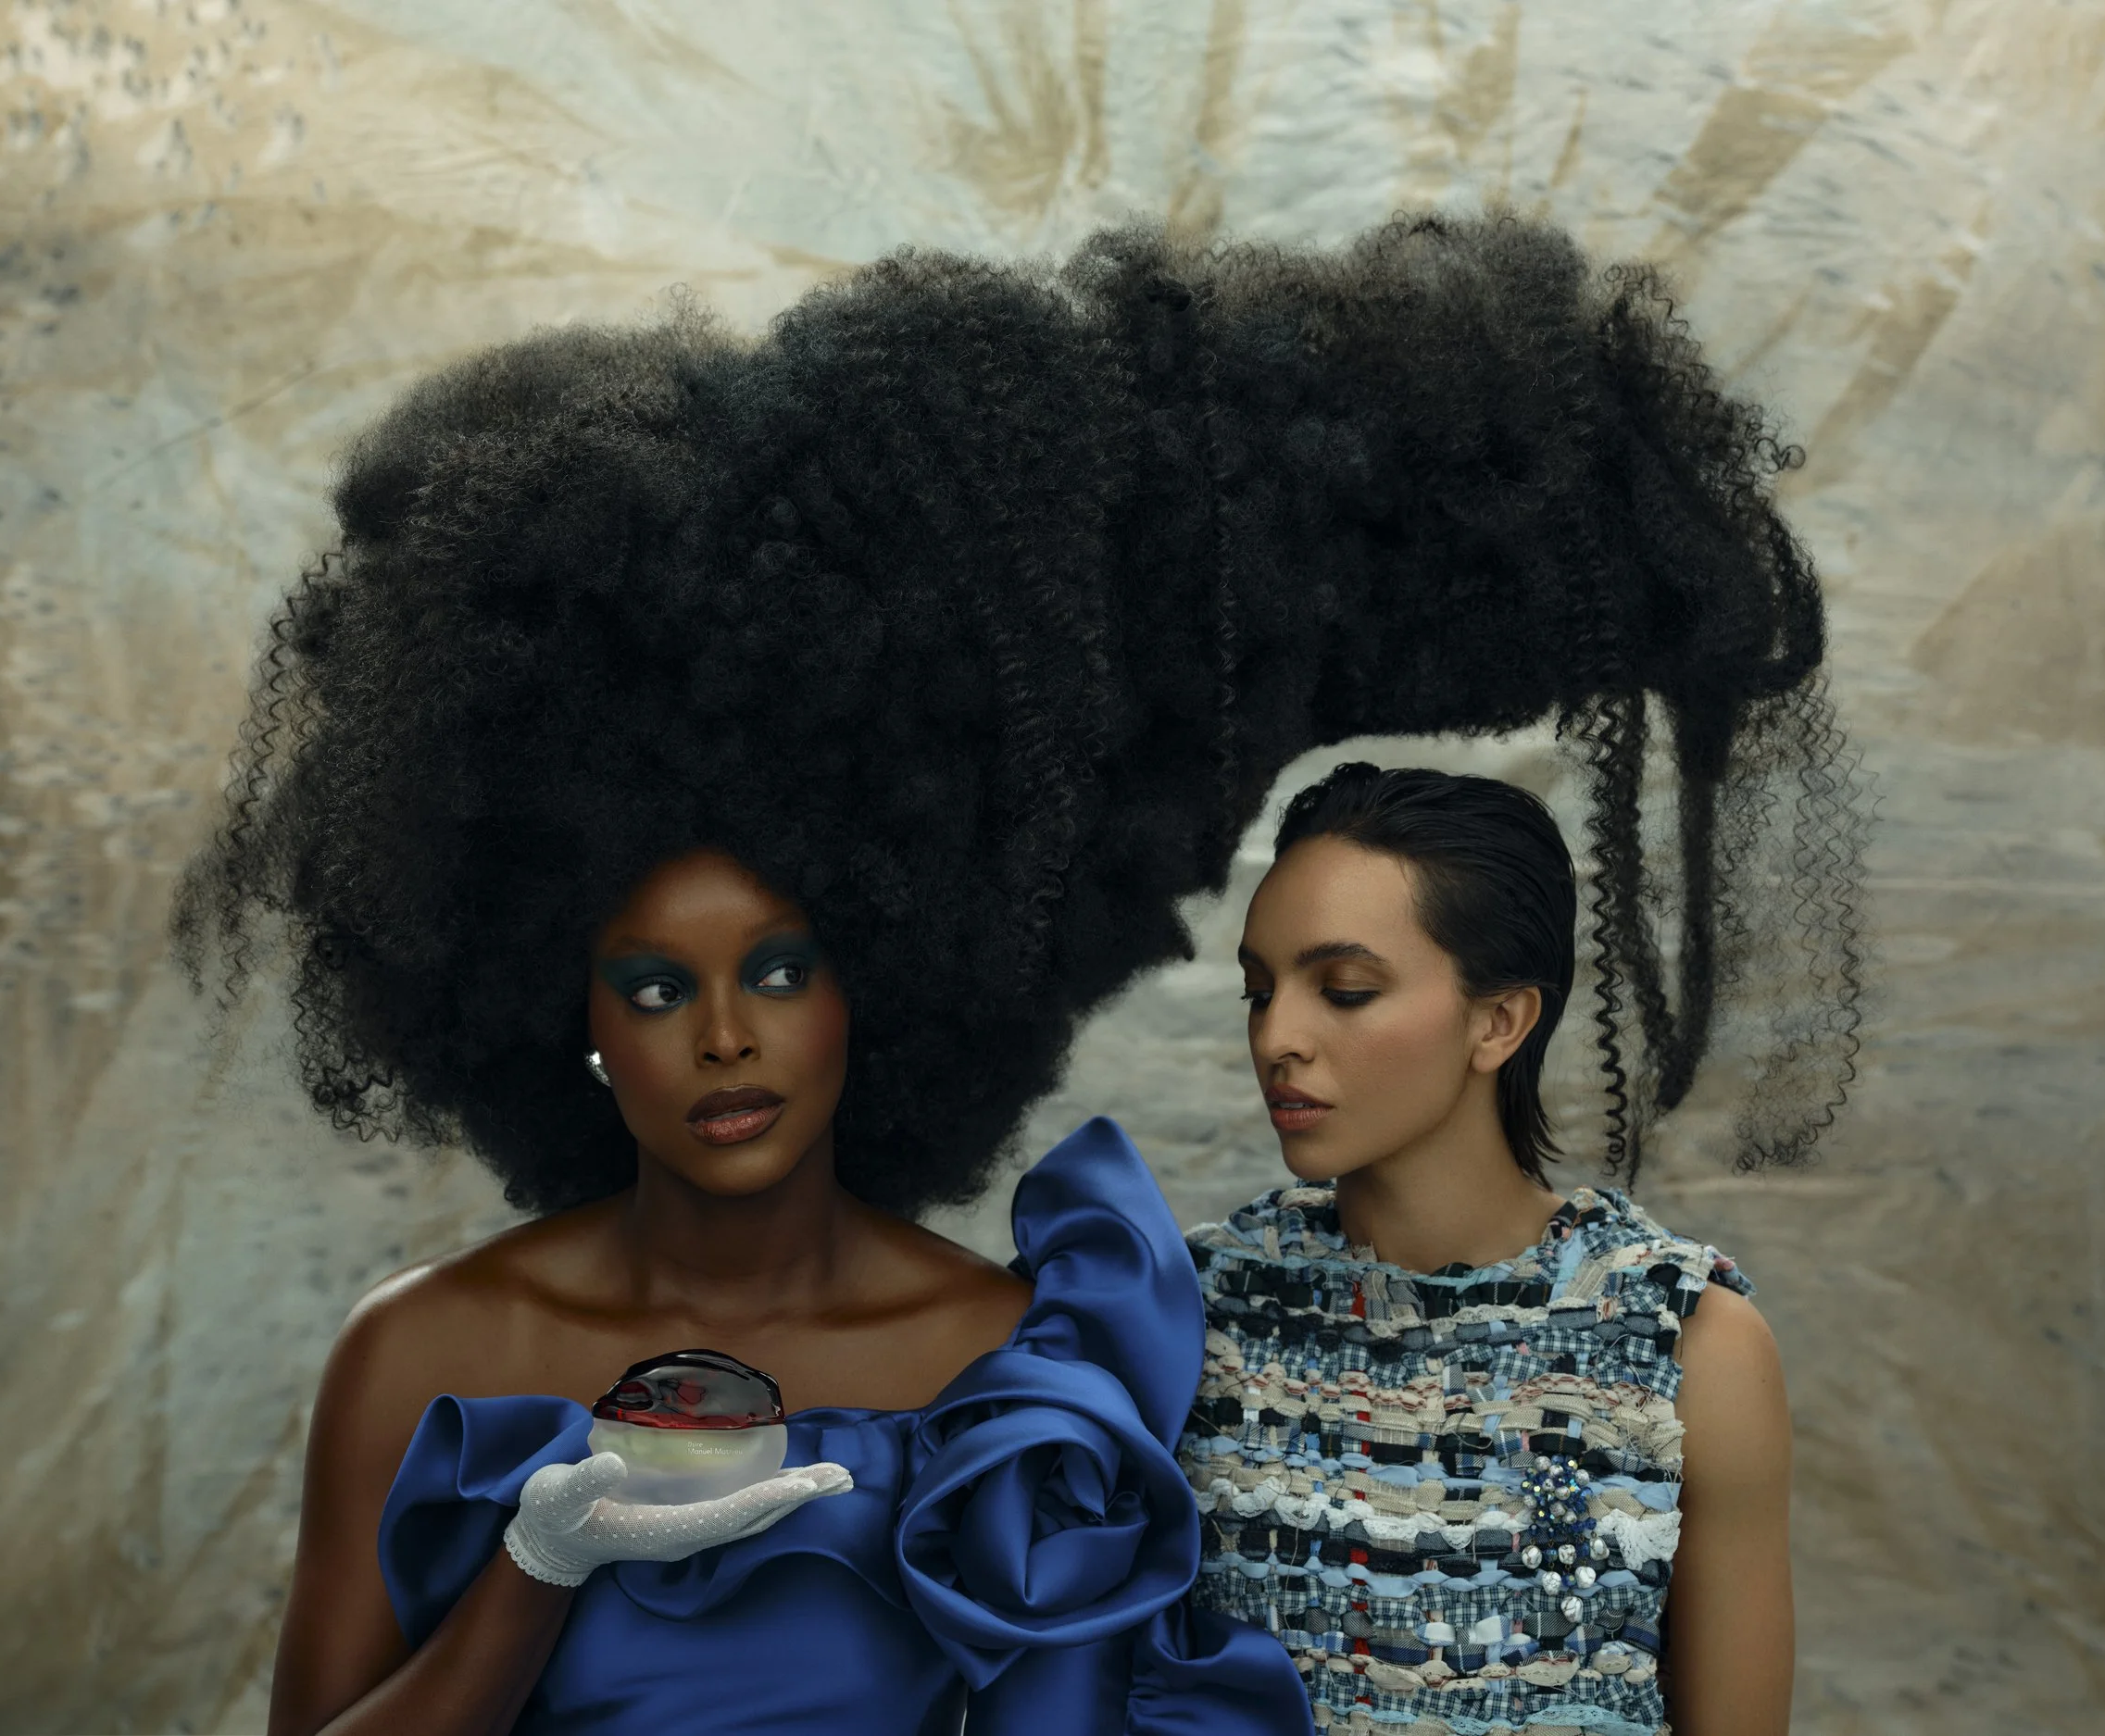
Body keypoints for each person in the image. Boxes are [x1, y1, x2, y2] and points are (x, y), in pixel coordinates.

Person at [175, 209, 1858, 1735]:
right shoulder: (418, 1360)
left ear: (886, 987)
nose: (730, 1039)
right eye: (658, 988)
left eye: (782, 967)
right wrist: (530, 1581)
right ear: (568, 1020)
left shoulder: (1014, 1366)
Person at [1184, 765, 1811, 1736]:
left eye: (1343, 990)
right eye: (1257, 991)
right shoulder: (1188, 1309)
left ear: (1498, 1021)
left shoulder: (1681, 1340)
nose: (1278, 1035)